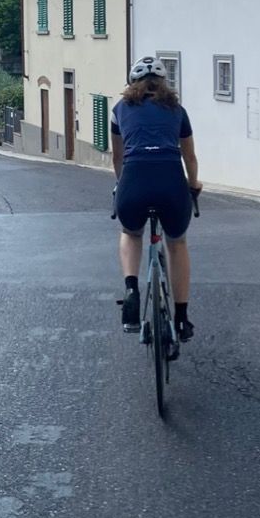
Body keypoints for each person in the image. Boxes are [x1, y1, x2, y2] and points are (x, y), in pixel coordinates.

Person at [111, 55, 202, 336]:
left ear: (132, 82)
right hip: (171, 182)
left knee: (131, 232)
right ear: (164, 83)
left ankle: (130, 289)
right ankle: (182, 319)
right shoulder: (178, 111)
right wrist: (194, 184)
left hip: (134, 180)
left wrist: (121, 184)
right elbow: (190, 157)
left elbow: (118, 158)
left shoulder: (119, 110)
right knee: (176, 243)